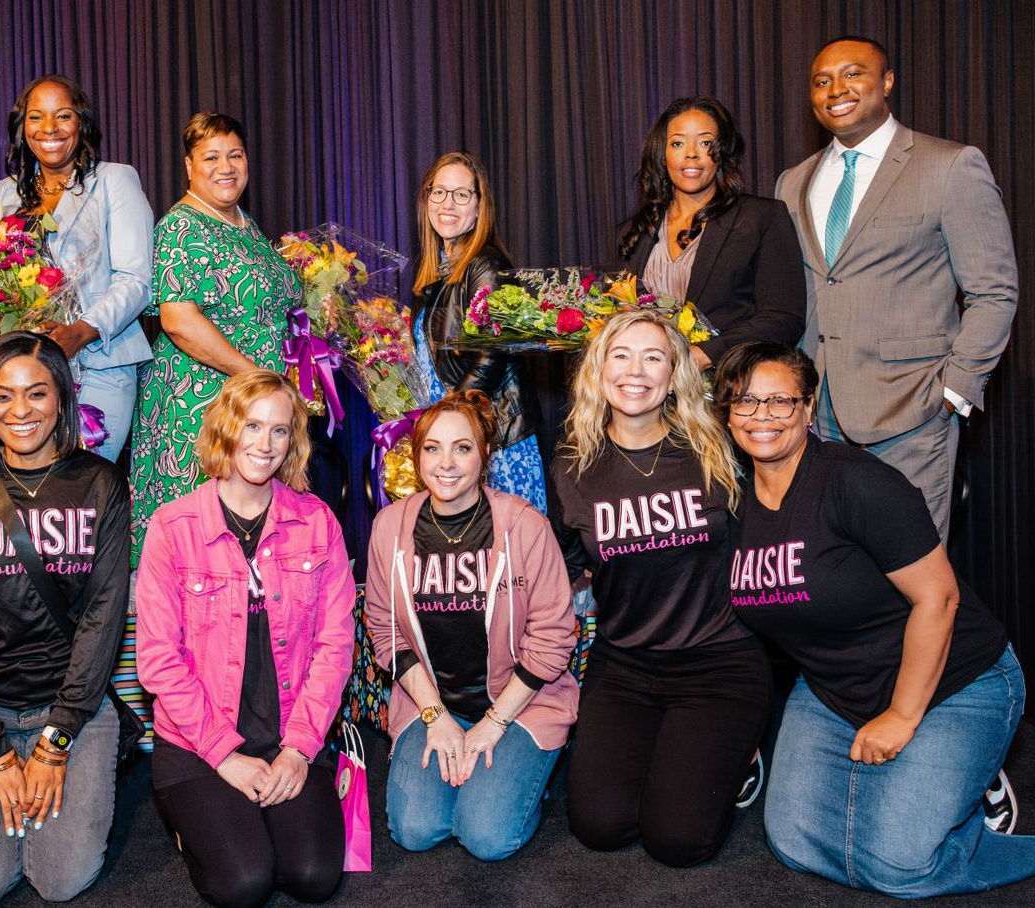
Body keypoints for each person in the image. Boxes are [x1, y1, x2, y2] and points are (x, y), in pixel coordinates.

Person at [712, 341, 1035, 896]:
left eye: (779, 401)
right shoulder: (733, 501)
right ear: (726, 413)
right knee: (792, 841)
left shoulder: (857, 482)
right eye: (744, 402)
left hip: (956, 682)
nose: (760, 416)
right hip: (836, 690)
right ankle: (925, 804)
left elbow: (939, 599)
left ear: (809, 407)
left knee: (897, 865)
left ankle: (972, 815)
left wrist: (902, 718)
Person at [775, 35, 1018, 543]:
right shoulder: (793, 181)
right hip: (817, 417)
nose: (835, 89)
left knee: (915, 580)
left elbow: (994, 292)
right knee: (840, 576)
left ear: (886, 82)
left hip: (912, 412)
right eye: (821, 81)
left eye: (852, 74)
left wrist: (953, 392)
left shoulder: (950, 165)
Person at [550, 309, 771, 867]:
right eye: (621, 356)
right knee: (600, 826)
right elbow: (570, 569)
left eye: (654, 357)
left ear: (674, 376)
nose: (636, 371)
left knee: (677, 841)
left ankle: (743, 752)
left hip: (718, 662)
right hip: (625, 665)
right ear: (598, 371)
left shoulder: (719, 448)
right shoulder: (573, 466)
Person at [0, 332, 131, 906]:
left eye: (37, 394)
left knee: (60, 882)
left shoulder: (100, 484)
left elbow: (102, 619)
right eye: (2, 396)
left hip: (71, 710)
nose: (20, 411)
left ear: (62, 399)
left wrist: (55, 741)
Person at [136, 369, 353, 908]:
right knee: (244, 885)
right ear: (225, 430)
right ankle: (196, 824)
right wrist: (223, 755)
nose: (265, 444)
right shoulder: (173, 526)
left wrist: (300, 748)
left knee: (312, 876)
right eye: (252, 426)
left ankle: (255, 816)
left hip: (291, 732)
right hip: (200, 741)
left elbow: (335, 647)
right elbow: (160, 663)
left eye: (280, 431)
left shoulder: (318, 522)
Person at [364, 390, 578, 861]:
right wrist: (436, 716)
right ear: (416, 455)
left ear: (485, 455)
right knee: (414, 831)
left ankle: (518, 774)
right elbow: (385, 630)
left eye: (462, 447)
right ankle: (480, 774)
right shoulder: (389, 527)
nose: (446, 463)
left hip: (520, 704)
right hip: (433, 702)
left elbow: (553, 639)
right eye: (432, 448)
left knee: (487, 837)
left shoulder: (523, 526)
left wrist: (493, 723)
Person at [129, 112, 300, 564]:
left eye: (235, 155)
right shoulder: (182, 227)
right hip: (201, 405)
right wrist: (257, 376)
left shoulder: (244, 224)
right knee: (199, 542)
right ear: (189, 166)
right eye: (211, 157)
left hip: (253, 404)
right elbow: (179, 320)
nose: (226, 166)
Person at [0, 74, 155, 463]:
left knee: (84, 487)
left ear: (81, 123)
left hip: (100, 364)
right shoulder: (5, 194)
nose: (49, 128)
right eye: (36, 117)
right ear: (22, 125)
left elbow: (137, 281)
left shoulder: (114, 180)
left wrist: (79, 334)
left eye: (62, 116)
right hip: (22, 374)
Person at [618, 97, 805, 370]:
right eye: (678, 143)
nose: (691, 153)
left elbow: (784, 318)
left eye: (705, 143)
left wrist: (703, 356)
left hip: (723, 391)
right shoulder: (634, 232)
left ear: (723, 152)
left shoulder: (761, 218)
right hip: (645, 392)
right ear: (662, 154)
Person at [409, 151, 546, 512]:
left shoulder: (484, 263)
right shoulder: (439, 268)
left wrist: (452, 417)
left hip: (493, 436)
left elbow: (494, 353)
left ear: (478, 206)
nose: (447, 204)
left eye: (461, 194)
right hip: (459, 436)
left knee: (511, 552)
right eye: (439, 192)